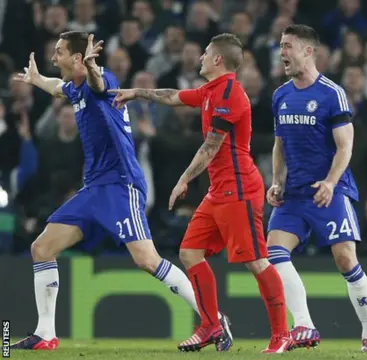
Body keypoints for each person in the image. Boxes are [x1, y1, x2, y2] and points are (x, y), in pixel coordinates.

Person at [9, 31, 225, 351]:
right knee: (42, 248)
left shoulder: (102, 79)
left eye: (59, 53)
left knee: (147, 260)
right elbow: (59, 89)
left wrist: (95, 69)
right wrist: (39, 79)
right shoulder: (75, 87)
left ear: (78, 59)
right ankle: (45, 334)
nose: (53, 58)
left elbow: (100, 86)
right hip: (94, 188)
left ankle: (216, 320)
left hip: (120, 185)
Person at [109, 33, 292, 354]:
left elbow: (211, 145)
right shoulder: (210, 89)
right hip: (219, 190)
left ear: (218, 59)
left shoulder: (231, 94)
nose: (201, 57)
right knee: (189, 252)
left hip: (240, 189)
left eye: (206, 53)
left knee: (257, 262)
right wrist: (136, 92)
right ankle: (211, 325)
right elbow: (173, 96)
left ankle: (282, 334)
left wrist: (183, 180)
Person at [266, 24, 367, 352]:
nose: (282, 52)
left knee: (345, 260)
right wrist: (276, 181)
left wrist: (330, 183)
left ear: (308, 51)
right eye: (281, 46)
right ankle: (303, 324)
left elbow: (345, 146)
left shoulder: (332, 94)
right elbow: (279, 144)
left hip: (331, 190)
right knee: (274, 253)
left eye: (288, 46)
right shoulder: (280, 95)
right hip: (294, 194)